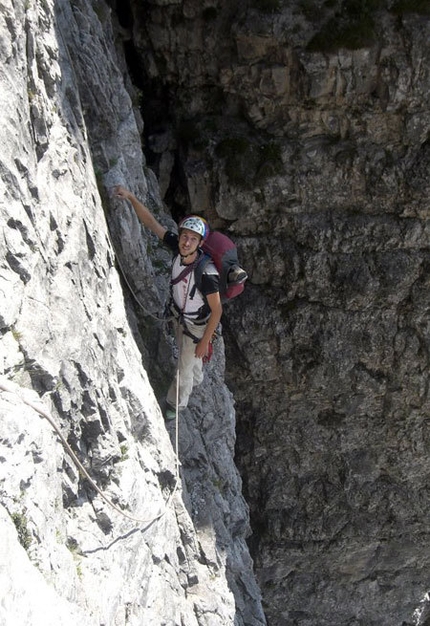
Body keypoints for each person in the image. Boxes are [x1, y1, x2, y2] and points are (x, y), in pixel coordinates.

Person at [114, 186, 222, 420]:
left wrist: (204, 341)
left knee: (182, 373)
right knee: (190, 363)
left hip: (197, 326)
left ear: (200, 244)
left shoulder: (207, 273)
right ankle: (195, 371)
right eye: (184, 236)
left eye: (193, 239)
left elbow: (217, 310)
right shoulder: (177, 247)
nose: (186, 242)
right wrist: (132, 197)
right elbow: (152, 223)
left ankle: (175, 406)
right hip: (179, 316)